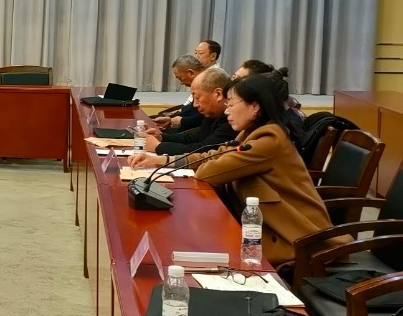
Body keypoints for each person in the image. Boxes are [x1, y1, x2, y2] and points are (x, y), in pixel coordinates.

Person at [127, 71, 342, 265]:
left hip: (296, 241)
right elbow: (212, 155)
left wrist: (165, 158)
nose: (227, 111)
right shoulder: (250, 133)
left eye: (231, 104)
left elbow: (208, 171)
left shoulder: (270, 139)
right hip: (260, 227)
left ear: (255, 106)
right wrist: (161, 160)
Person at [144, 67, 233, 156]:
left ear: (218, 94)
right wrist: (161, 138)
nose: (195, 105)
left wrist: (158, 146)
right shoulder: (213, 114)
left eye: (197, 98)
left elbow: (203, 150)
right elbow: (193, 137)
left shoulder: (231, 119)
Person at [152, 55, 204, 131]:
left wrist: (181, 121)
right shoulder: (200, 84)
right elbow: (192, 110)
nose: (181, 83)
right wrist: (170, 119)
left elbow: (203, 117)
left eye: (180, 78)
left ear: (191, 73)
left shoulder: (208, 84)